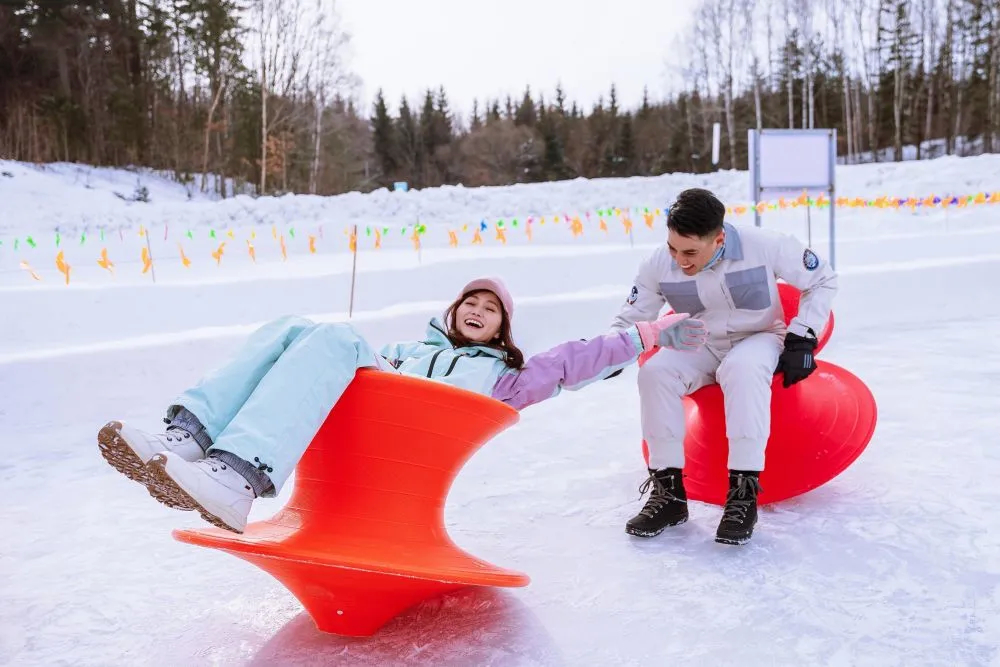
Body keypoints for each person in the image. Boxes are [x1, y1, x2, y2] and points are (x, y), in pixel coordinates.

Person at [98, 276, 708, 534]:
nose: (477, 310)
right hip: (364, 429)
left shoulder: (505, 378)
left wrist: (650, 334)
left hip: (405, 457)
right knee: (295, 327)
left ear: (500, 330)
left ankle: (238, 476)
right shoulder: (405, 350)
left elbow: (578, 356)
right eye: (469, 301)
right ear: (451, 312)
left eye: (490, 309)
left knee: (334, 336)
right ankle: (190, 437)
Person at [611, 188, 837, 545]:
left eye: (690, 252)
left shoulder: (766, 244)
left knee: (742, 370)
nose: (679, 260)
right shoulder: (658, 263)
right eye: (673, 248)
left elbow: (822, 279)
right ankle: (668, 495)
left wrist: (803, 336)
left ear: (718, 238)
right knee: (655, 373)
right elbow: (632, 316)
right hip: (698, 341)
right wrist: (613, 348)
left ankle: (743, 497)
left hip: (759, 336)